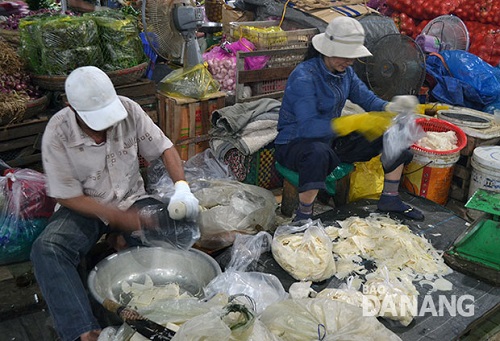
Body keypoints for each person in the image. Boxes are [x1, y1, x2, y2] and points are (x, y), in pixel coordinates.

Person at [31, 66, 200, 341]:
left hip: (132, 200)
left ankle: (122, 247)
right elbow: (65, 194)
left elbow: (165, 148)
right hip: (83, 208)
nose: (107, 127)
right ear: (70, 106)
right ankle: (83, 330)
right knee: (48, 249)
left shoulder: (128, 110)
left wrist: (182, 189)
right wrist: (116, 218)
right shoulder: (58, 132)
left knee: (176, 234)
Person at [274, 16, 424, 222]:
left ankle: (390, 197)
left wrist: (391, 107)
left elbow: (367, 99)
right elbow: (308, 127)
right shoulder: (304, 77)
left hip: (331, 140)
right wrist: (353, 122)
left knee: (394, 131)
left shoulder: (346, 74)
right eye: (344, 56)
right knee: (318, 152)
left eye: (352, 56)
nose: (350, 61)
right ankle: (303, 216)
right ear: (327, 50)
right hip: (295, 145)